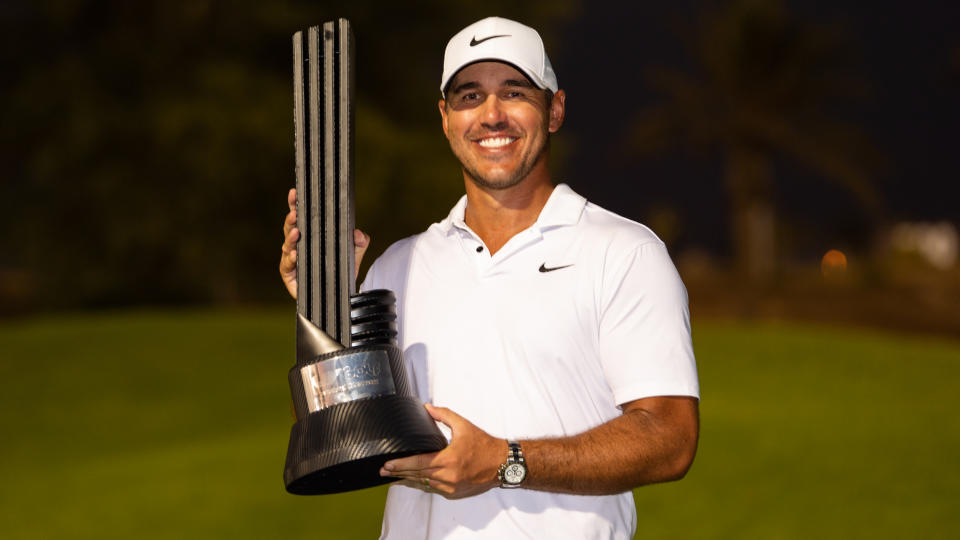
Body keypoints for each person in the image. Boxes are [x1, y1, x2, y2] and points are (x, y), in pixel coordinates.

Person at [279, 16, 700, 540]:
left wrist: (506, 460)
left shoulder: (624, 252)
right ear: (445, 117)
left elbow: (669, 437)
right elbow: (348, 438)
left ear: (555, 109)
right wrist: (324, 306)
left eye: (515, 92)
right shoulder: (397, 267)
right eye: (470, 96)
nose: (492, 115)